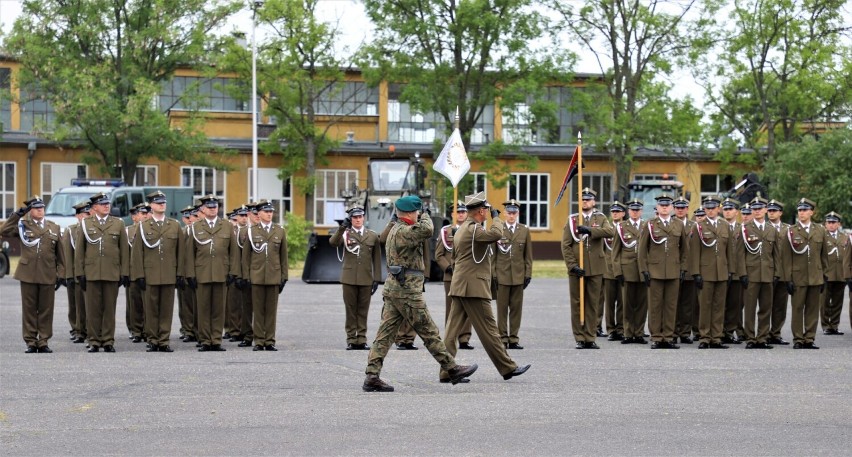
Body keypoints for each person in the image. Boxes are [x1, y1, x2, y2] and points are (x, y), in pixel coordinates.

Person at [363, 195, 478, 392]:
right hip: (407, 290)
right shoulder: (403, 231)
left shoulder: (396, 229)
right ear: (409, 213)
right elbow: (427, 229)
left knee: (385, 334)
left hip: (396, 289)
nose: (418, 215)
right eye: (416, 212)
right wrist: (425, 215)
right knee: (428, 330)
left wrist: (421, 213)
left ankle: (372, 376)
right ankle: (451, 368)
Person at [443, 192, 530, 382]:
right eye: (487, 210)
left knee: (451, 331)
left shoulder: (464, 228)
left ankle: (446, 371)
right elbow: (497, 233)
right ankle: (507, 367)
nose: (488, 213)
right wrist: (497, 218)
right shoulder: (474, 229)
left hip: (462, 285)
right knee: (490, 330)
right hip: (473, 287)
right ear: (481, 211)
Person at [1, 196, 65, 353]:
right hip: (28, 273)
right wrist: (17, 214)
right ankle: (31, 341)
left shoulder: (53, 227)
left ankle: (43, 340)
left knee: (46, 309)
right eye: (36, 208)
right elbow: (4, 230)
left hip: (48, 272)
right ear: (30, 211)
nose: (40, 210)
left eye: (42, 207)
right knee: (29, 309)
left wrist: (61, 274)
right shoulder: (23, 225)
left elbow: (61, 254)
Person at [74, 192, 130, 353]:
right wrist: (80, 273)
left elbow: (124, 250)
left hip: (112, 272)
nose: (107, 206)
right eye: (103, 204)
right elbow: (79, 251)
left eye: (108, 203)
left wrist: (124, 272)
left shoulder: (117, 223)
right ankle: (94, 340)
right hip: (91, 273)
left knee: (109, 309)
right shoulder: (86, 223)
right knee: (93, 309)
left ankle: (107, 340)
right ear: (94, 207)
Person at [130, 190, 185, 352]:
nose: (162, 205)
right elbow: (137, 253)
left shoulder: (174, 225)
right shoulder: (143, 226)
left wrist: (180, 273)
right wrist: (139, 275)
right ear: (151, 206)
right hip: (150, 274)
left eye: (163, 202)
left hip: (169, 273)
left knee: (166, 310)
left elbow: (180, 252)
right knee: (151, 308)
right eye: (158, 203)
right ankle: (153, 339)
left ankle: (164, 340)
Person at [186, 195, 240, 352]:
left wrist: (233, 272)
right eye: (209, 207)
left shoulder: (226, 226)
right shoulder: (196, 227)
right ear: (203, 209)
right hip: (201, 273)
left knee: (218, 308)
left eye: (215, 206)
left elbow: (233, 252)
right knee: (203, 309)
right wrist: (190, 274)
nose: (212, 209)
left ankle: (216, 339)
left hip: (221, 272)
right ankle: (204, 340)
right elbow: (189, 253)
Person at [562, 188, 614, 349]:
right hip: (578, 268)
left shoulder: (601, 217)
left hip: (596, 267)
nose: (585, 201)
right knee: (577, 303)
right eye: (583, 199)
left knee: (593, 303)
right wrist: (572, 266)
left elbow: (610, 232)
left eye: (588, 199)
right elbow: (566, 245)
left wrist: (590, 230)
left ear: (594, 202)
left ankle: (590, 337)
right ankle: (579, 337)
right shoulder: (572, 220)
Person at [637, 193, 688, 349]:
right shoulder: (650, 224)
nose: (664, 207)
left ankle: (668, 336)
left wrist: (683, 268)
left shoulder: (679, 224)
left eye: (667, 205)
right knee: (655, 305)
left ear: (671, 207)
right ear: (657, 208)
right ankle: (657, 337)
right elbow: (642, 250)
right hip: (655, 271)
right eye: (661, 205)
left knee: (671, 305)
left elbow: (684, 249)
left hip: (673, 270)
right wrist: (644, 270)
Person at [330, 205, 381, 350]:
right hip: (349, 278)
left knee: (363, 310)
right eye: (355, 217)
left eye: (360, 217)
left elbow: (376, 259)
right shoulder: (345, 234)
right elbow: (333, 243)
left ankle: (362, 339)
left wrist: (376, 278)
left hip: (366, 278)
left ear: (363, 217)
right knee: (351, 309)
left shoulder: (372, 235)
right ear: (351, 219)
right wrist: (341, 228)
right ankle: (351, 339)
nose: (358, 220)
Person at [691, 196, 737, 349]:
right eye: (707, 208)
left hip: (722, 272)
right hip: (706, 272)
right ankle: (704, 337)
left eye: (713, 208)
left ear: (719, 209)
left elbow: (730, 250)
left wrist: (731, 270)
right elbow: (695, 251)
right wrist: (696, 273)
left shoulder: (725, 226)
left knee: (719, 306)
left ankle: (716, 337)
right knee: (705, 306)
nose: (710, 210)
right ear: (704, 210)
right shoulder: (698, 227)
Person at [241, 200, 288, 351]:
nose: (269, 214)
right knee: (258, 309)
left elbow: (283, 257)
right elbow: (246, 257)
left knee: (271, 311)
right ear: (259, 214)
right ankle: (259, 341)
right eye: (266, 212)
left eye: (271, 212)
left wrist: (284, 277)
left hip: (274, 276)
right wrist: (246, 277)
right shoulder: (252, 231)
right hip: (257, 275)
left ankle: (270, 340)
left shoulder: (279, 231)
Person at [784, 198, 829, 349]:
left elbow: (824, 255)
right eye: (799, 210)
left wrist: (825, 275)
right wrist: (788, 278)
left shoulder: (820, 230)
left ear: (811, 212)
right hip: (798, 276)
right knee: (797, 308)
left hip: (816, 276)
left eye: (804, 210)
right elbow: (786, 257)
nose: (801, 213)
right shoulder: (791, 231)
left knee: (812, 309)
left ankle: (809, 338)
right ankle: (798, 339)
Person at [740, 196, 781, 349]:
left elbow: (776, 254)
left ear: (765, 210)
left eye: (759, 209)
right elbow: (740, 254)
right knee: (750, 308)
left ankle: (762, 337)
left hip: (768, 274)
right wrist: (742, 273)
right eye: (754, 209)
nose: (757, 211)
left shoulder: (772, 229)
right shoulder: (745, 228)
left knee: (765, 307)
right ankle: (750, 338)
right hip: (751, 274)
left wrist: (776, 273)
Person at [494, 199, 533, 349]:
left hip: (518, 275)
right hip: (502, 275)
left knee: (516, 309)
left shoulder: (524, 230)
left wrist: (528, 274)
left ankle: (514, 338)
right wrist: (493, 274)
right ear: (504, 213)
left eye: (514, 213)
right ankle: (503, 339)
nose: (511, 216)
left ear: (518, 214)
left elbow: (528, 255)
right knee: (502, 309)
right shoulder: (498, 229)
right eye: (509, 213)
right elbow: (493, 255)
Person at [434, 201, 474, 350]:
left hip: (467, 275)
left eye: (463, 212)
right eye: (458, 212)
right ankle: (450, 339)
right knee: (451, 307)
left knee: (467, 306)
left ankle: (464, 338)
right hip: (451, 276)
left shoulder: (472, 230)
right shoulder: (446, 232)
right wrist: (448, 267)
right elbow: (438, 255)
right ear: (452, 214)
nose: (461, 214)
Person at [613, 198, 648, 345]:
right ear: (628, 211)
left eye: (637, 210)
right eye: (632, 210)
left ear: (641, 211)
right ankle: (628, 333)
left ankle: (639, 332)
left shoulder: (647, 226)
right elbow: (615, 252)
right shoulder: (621, 227)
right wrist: (618, 272)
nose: (635, 212)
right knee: (627, 304)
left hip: (643, 271)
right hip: (627, 270)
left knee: (641, 304)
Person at [62, 201, 90, 345]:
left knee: (90, 305)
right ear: (78, 216)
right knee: (76, 305)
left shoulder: (93, 229)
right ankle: (78, 330)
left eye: (89, 213)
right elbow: (68, 255)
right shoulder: (71, 231)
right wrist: (68, 275)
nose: (87, 216)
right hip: (76, 274)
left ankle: (89, 330)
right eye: (85, 214)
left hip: (91, 272)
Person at [766, 199, 791, 345]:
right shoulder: (763, 227)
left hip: (783, 273)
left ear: (780, 213)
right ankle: (763, 333)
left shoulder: (788, 229)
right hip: (767, 272)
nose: (771, 213)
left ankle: (775, 333)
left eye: (774, 211)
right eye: (769, 210)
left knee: (780, 306)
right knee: (765, 305)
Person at [721, 198, 745, 344]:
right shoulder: (718, 226)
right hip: (720, 271)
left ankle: (729, 332)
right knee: (720, 304)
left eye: (730, 209)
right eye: (725, 209)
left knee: (735, 305)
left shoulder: (743, 229)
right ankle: (720, 332)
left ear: (736, 212)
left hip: (736, 273)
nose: (727, 211)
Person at [125, 202, 150, 343]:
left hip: (150, 272)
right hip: (133, 273)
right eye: (142, 213)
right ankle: (136, 330)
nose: (146, 216)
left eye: (147, 213)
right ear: (135, 216)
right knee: (135, 304)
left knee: (149, 303)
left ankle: (148, 330)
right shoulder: (128, 231)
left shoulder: (152, 229)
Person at [673, 196, 696, 344]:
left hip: (690, 270)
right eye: (678, 208)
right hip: (673, 269)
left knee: (688, 304)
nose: (680, 210)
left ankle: (685, 333)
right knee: (673, 303)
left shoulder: (695, 226)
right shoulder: (671, 224)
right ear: (674, 209)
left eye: (683, 208)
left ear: (687, 209)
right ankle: (673, 332)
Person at [820, 212, 847, 335]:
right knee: (825, 301)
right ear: (825, 224)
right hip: (826, 274)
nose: (831, 225)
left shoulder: (844, 237)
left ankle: (834, 325)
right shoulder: (822, 236)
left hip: (841, 274)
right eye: (829, 222)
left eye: (833, 222)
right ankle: (826, 325)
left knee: (837, 302)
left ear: (838, 224)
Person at [602, 201, 625, 341]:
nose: (615, 213)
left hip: (623, 269)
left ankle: (621, 328)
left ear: (623, 213)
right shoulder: (607, 228)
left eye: (618, 211)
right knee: (609, 302)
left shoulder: (626, 228)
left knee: (622, 301)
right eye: (613, 211)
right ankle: (611, 329)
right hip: (609, 270)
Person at [224, 206, 248, 342]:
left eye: (246, 216)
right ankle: (233, 331)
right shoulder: (230, 233)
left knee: (245, 305)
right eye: (241, 216)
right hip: (233, 272)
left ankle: (244, 331)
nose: (244, 218)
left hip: (246, 273)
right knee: (233, 305)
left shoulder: (249, 231)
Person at [177, 205, 199, 343]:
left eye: (194, 216)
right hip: (185, 273)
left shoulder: (199, 232)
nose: (190, 219)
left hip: (199, 272)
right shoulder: (182, 232)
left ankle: (198, 330)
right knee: (185, 305)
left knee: (199, 304)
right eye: (187, 217)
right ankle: (187, 330)